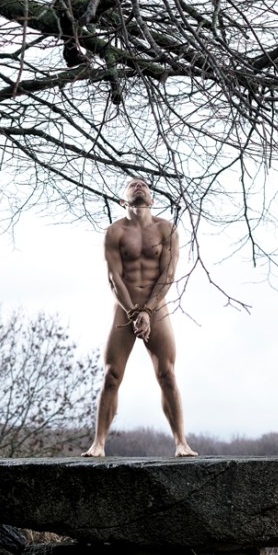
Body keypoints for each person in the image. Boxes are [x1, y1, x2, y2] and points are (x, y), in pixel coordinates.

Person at [82, 177, 198, 458]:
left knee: (167, 373)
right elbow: (114, 278)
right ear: (123, 200)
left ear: (152, 199)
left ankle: (181, 442)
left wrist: (147, 310)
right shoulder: (114, 232)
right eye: (132, 184)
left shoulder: (167, 229)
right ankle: (98, 443)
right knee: (111, 375)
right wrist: (134, 312)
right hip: (124, 308)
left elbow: (168, 275)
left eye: (144, 185)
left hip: (156, 308)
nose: (139, 186)